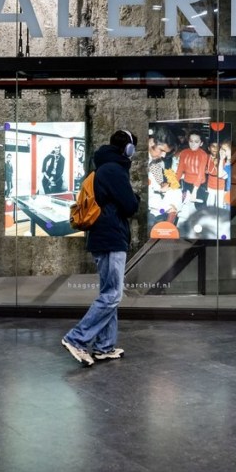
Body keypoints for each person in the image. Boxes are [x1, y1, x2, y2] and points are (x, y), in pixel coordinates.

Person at [62, 130, 141, 366]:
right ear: (127, 149)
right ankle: (76, 338)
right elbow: (130, 206)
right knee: (113, 295)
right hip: (111, 237)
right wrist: (135, 197)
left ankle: (104, 347)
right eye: (133, 148)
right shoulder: (114, 171)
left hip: (101, 237)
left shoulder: (103, 168)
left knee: (109, 294)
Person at [147, 126, 180, 230]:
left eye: (166, 152)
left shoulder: (157, 161)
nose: (163, 155)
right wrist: (166, 207)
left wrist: (162, 185)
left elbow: (155, 184)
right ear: (151, 142)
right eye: (161, 150)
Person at [174, 131, 210, 206]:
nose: (193, 144)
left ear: (201, 143)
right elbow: (179, 170)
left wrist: (194, 191)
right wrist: (173, 184)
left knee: (199, 209)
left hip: (199, 185)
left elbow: (200, 174)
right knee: (184, 206)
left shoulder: (203, 154)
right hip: (186, 183)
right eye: (191, 141)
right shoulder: (184, 153)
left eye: (196, 142)